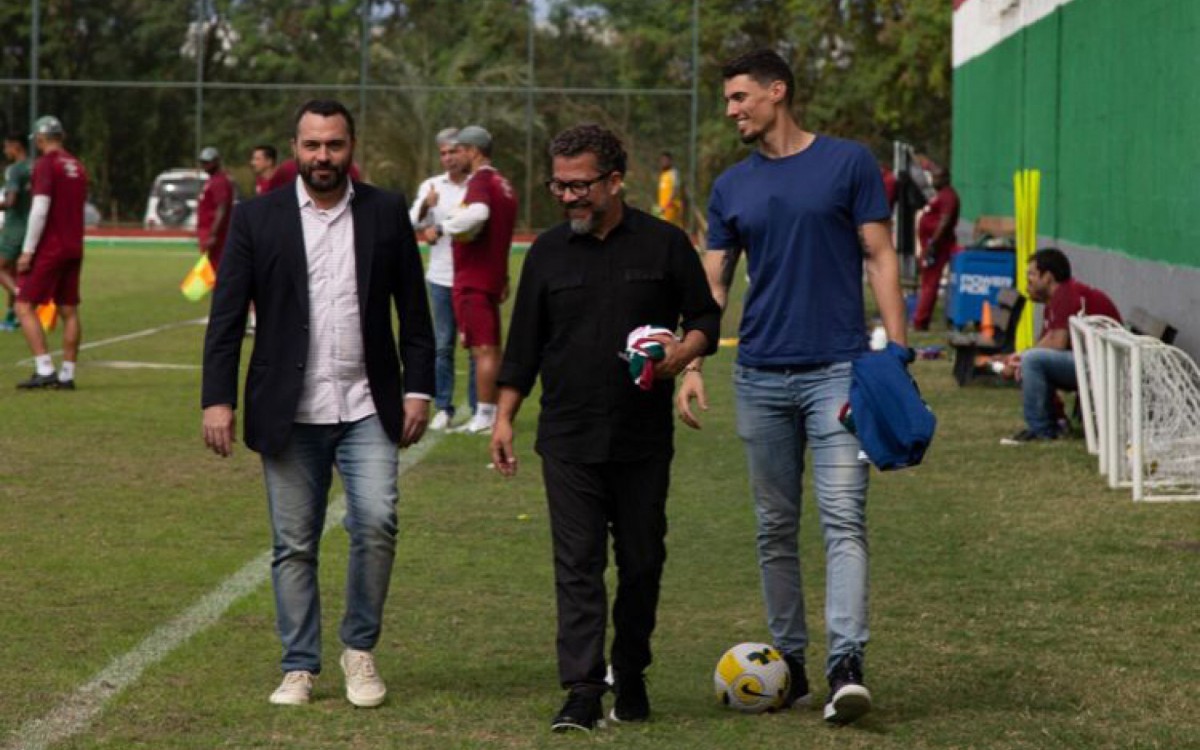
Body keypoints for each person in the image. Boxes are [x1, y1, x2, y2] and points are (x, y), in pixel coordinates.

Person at [676, 49, 907, 725]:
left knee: (843, 520)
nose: (731, 110)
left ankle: (846, 665)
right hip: (758, 376)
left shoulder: (848, 163)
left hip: (837, 369)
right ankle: (792, 664)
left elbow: (880, 255)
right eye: (727, 100)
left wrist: (893, 350)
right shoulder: (730, 188)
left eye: (740, 97)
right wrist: (691, 364)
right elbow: (712, 285)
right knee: (775, 527)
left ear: (778, 93)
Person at [201, 99, 435, 708]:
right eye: (312, 145)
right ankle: (299, 666)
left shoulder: (385, 212)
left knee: (377, 522)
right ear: (295, 148)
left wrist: (419, 387)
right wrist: (217, 401)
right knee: (294, 544)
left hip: (368, 406)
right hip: (288, 411)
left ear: (351, 146)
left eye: (333, 144)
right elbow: (225, 318)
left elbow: (415, 311)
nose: (322, 156)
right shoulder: (257, 218)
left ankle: (359, 651)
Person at [491, 124, 720, 732]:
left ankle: (633, 668)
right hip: (567, 437)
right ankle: (583, 689)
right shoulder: (546, 253)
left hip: (642, 439)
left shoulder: (666, 245)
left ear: (615, 181)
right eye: (559, 186)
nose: (567, 198)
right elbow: (523, 348)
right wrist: (505, 417)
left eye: (580, 186)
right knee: (578, 564)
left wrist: (682, 353)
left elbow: (705, 317)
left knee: (642, 561)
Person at [998, 247, 1120, 445]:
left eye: (1032, 274)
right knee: (1029, 360)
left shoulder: (1066, 293)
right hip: (1092, 360)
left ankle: (1040, 430)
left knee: (1031, 360)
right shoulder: (1055, 300)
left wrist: (1022, 358)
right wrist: (1018, 357)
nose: (1028, 280)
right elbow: (1046, 342)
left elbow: (1057, 343)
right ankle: (1057, 421)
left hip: (1105, 363)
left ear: (1048, 277)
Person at [440, 125, 517, 435]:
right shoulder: (503, 183)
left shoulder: (481, 181)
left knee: (482, 349)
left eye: (459, 150)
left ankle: (485, 415)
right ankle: (489, 411)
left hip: (474, 277)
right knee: (491, 348)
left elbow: (479, 214)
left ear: (473, 151)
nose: (456, 155)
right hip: (491, 275)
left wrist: (446, 226)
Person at [14, 115, 89, 391]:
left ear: (41, 139)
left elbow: (40, 209)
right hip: (74, 245)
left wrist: (28, 250)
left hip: (51, 247)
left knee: (23, 306)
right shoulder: (76, 166)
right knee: (69, 309)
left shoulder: (47, 165)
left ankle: (44, 368)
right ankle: (67, 374)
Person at [409, 127, 476, 430]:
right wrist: (426, 206)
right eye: (444, 153)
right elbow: (413, 221)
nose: (449, 158)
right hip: (439, 278)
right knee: (442, 345)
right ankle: (443, 407)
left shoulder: (477, 186)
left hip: (471, 277)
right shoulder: (432, 186)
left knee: (476, 346)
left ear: (466, 152)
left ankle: (479, 409)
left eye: (454, 152)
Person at [911, 164, 960, 330]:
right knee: (926, 282)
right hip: (930, 245)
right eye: (933, 177)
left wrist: (933, 243)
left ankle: (921, 320)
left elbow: (944, 221)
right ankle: (920, 318)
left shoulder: (948, 196)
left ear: (946, 179)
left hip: (938, 247)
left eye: (937, 177)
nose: (933, 181)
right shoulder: (939, 195)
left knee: (930, 283)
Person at [0, 133, 33, 330]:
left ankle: (24, 301)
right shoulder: (36, 166)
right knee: (14, 272)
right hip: (32, 227)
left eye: (6, 147)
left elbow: (11, 201)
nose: (5, 151)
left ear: (16, 146)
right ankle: (12, 316)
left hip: (16, 227)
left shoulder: (15, 170)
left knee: (1, 268)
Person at [196, 146, 235, 271]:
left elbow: (221, 208)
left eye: (208, 162)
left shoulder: (219, 181)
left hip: (215, 234)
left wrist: (213, 234)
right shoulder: (212, 180)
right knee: (211, 268)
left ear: (216, 161)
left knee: (218, 268)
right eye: (203, 162)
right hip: (207, 230)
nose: (204, 165)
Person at [655, 151, 685, 228]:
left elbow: (675, 190)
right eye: (662, 160)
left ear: (670, 161)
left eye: (666, 160)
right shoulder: (662, 174)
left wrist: (667, 204)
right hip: (663, 209)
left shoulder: (674, 173)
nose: (664, 162)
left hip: (671, 208)